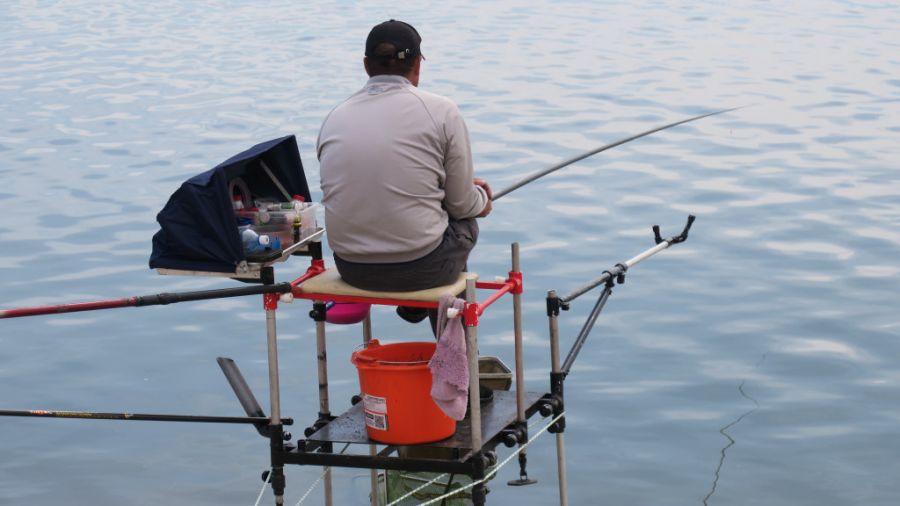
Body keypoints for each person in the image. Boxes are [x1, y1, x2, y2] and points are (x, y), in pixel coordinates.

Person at [317, 19, 492, 321]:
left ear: (366, 65)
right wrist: (482, 200)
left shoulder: (334, 117)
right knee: (464, 222)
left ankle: (415, 308)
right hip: (422, 268)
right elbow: (462, 203)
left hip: (351, 268)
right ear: (417, 65)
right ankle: (453, 359)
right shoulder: (442, 111)